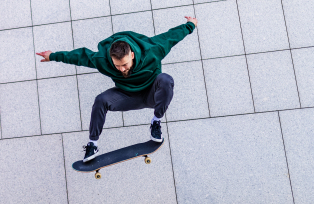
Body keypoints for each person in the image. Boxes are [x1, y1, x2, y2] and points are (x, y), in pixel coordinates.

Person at [36, 16, 198, 162]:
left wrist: (190, 25)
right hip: (126, 96)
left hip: (152, 94)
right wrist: (53, 56)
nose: (121, 69)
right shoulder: (102, 60)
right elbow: (80, 56)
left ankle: (156, 121)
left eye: (125, 64)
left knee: (165, 79)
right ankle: (92, 144)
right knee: (101, 100)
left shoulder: (154, 49)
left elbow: (172, 36)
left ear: (132, 55)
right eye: (117, 66)